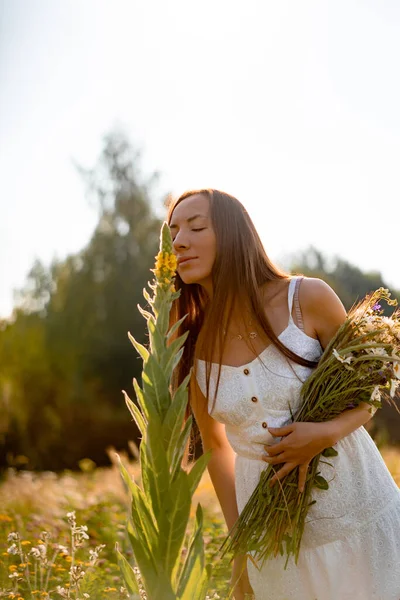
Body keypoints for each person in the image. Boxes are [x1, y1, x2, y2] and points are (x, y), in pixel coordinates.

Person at [167, 188, 400, 600]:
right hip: (273, 542)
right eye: (173, 232)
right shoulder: (191, 341)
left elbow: (371, 386)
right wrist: (240, 547)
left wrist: (325, 434)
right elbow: (215, 448)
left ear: (233, 234)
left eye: (196, 226)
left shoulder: (306, 298)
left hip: (359, 513)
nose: (179, 240)